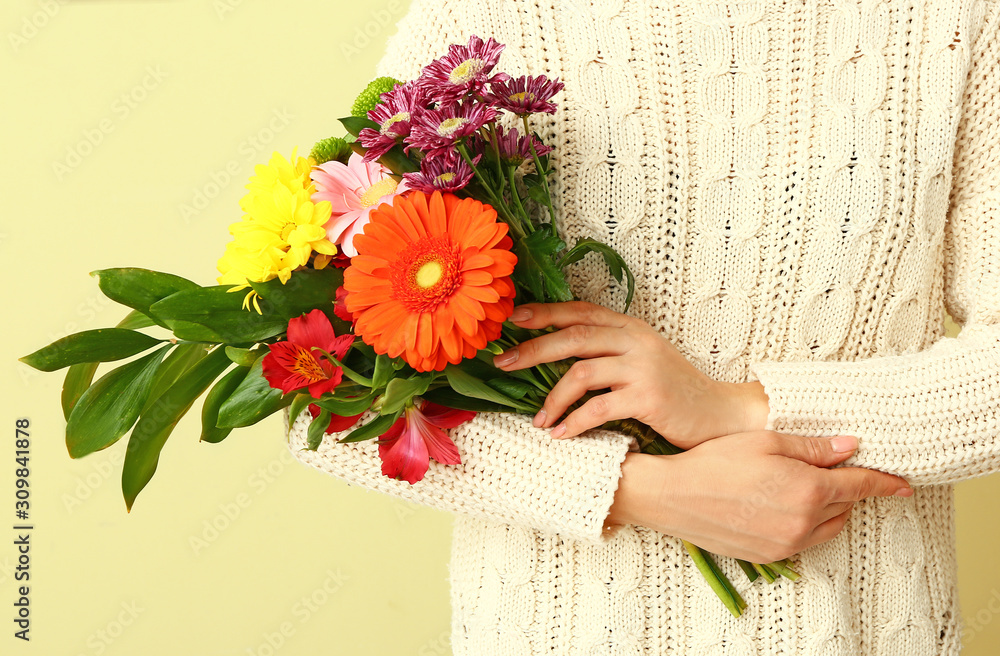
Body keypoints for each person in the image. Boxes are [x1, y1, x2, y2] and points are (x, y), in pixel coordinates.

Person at [289, 0, 1000, 653]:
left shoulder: (952, 23)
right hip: (553, 632)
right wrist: (637, 490)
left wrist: (732, 406)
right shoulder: (482, 21)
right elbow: (326, 398)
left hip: (861, 632)